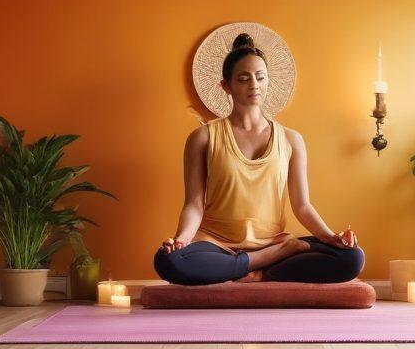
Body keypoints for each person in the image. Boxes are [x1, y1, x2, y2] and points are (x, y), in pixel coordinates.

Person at [154, 33, 365, 286]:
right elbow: (194, 204)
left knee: (352, 258)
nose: (254, 84)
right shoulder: (203, 138)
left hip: (274, 240)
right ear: (226, 86)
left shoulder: (291, 139)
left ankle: (259, 270)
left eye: (260, 77)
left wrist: (331, 237)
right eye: (243, 78)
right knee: (167, 261)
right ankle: (262, 262)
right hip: (217, 246)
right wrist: (182, 240)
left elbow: (302, 205)